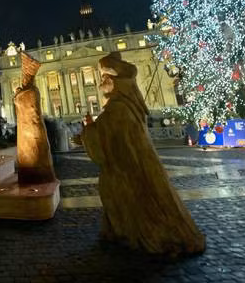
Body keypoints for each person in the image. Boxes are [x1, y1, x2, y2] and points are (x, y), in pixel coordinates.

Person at [82, 52, 205, 257]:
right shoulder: (127, 106)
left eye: (104, 77)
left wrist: (88, 129)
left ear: (116, 81)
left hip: (126, 171)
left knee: (133, 202)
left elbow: (105, 143)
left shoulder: (118, 109)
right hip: (133, 166)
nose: (100, 82)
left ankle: (138, 233)